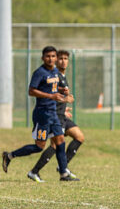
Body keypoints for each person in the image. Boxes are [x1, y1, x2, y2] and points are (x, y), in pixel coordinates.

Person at [2, 46, 78, 181]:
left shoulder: (55, 71)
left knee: (60, 141)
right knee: (39, 147)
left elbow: (52, 87)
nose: (51, 59)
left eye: (53, 56)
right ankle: (9, 156)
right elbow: (31, 91)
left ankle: (63, 173)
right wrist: (51, 96)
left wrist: (61, 91)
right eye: (48, 56)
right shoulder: (39, 72)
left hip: (53, 113)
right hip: (42, 114)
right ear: (42, 58)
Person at [27, 50, 85, 182]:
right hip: (55, 115)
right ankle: (35, 171)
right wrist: (61, 107)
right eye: (60, 59)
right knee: (55, 145)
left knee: (79, 137)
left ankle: (62, 167)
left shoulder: (63, 76)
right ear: (55, 61)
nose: (63, 61)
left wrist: (64, 108)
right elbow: (50, 95)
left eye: (66, 58)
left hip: (62, 114)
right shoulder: (54, 75)